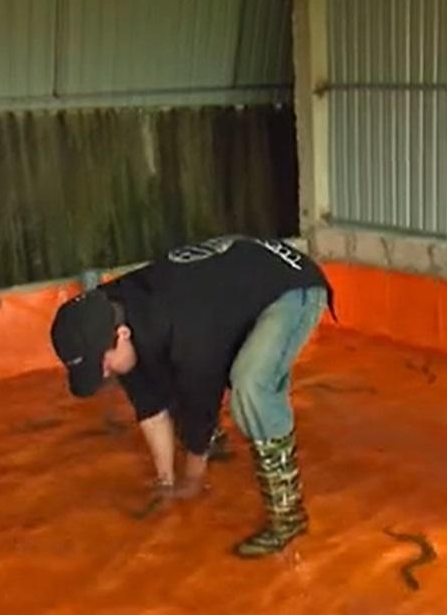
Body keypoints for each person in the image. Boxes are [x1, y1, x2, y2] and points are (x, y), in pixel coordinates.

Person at [50, 235, 332, 557]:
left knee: (250, 385)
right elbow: (149, 404)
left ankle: (288, 517)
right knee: (174, 375)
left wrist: (193, 479)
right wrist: (166, 482)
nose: (103, 375)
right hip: (226, 288)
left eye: (102, 364)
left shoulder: (182, 328)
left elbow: (202, 401)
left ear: (123, 334)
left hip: (290, 285)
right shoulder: (107, 313)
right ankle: (214, 444)